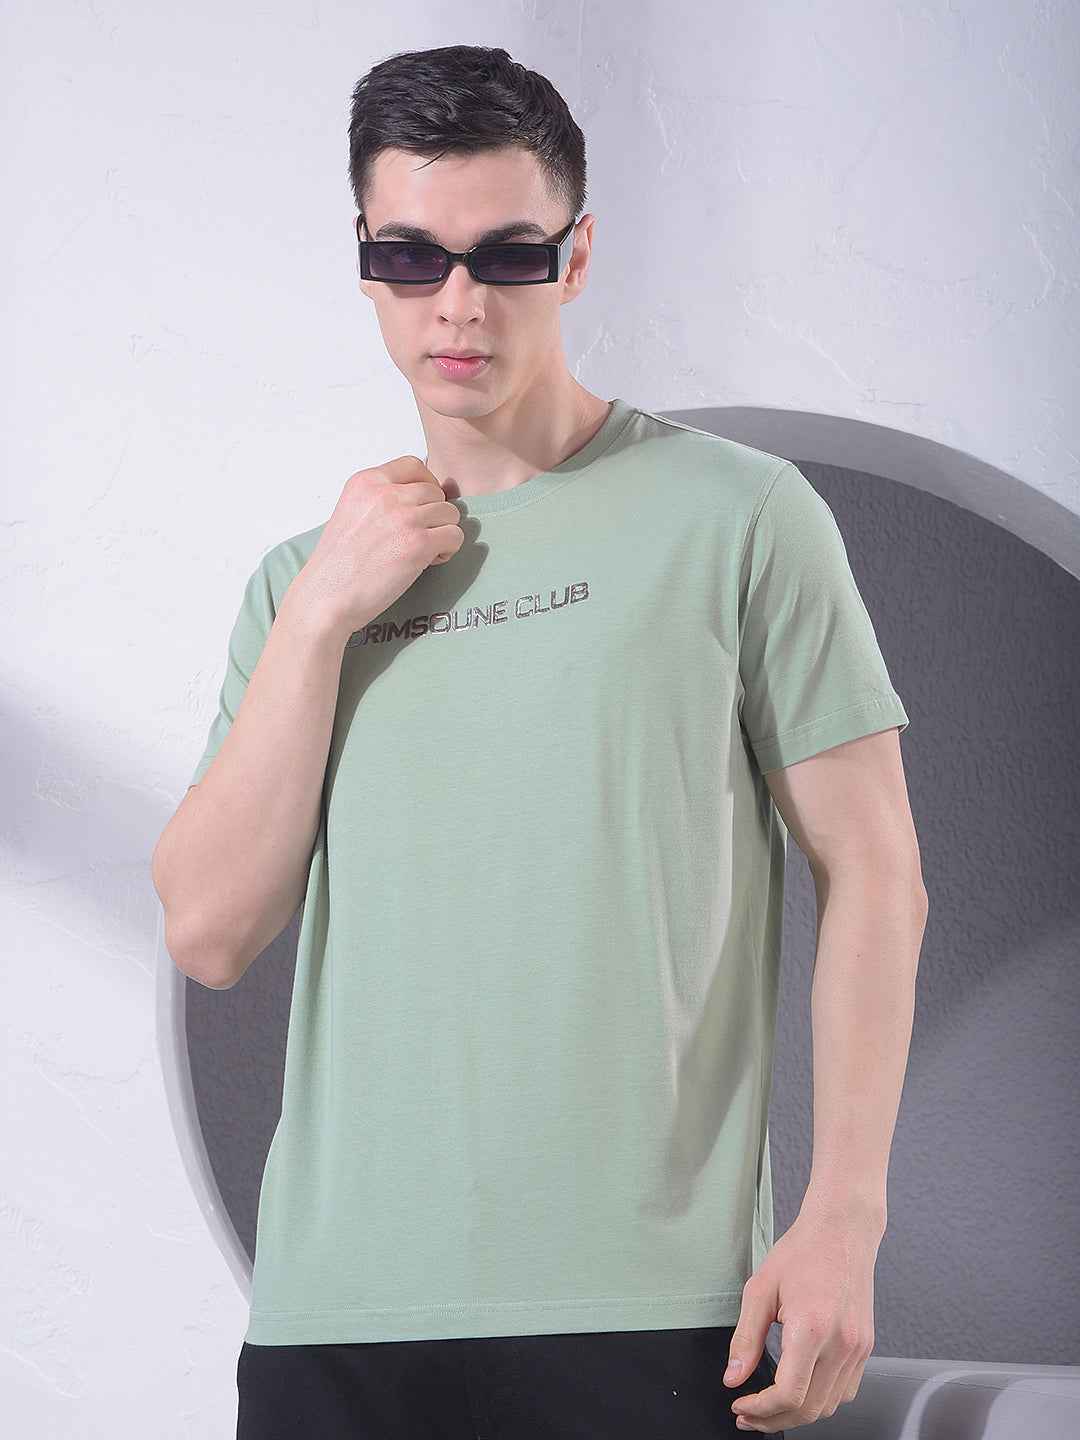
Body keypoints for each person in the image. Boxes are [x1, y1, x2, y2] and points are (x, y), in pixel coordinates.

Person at [153, 42, 922, 1440]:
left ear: (575, 258)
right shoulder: (302, 581)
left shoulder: (742, 517)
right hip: (337, 1322)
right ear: (365, 260)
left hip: (652, 1309)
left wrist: (845, 1219)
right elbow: (209, 931)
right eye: (412, 257)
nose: (458, 305)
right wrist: (322, 614)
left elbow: (876, 873)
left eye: (507, 256)